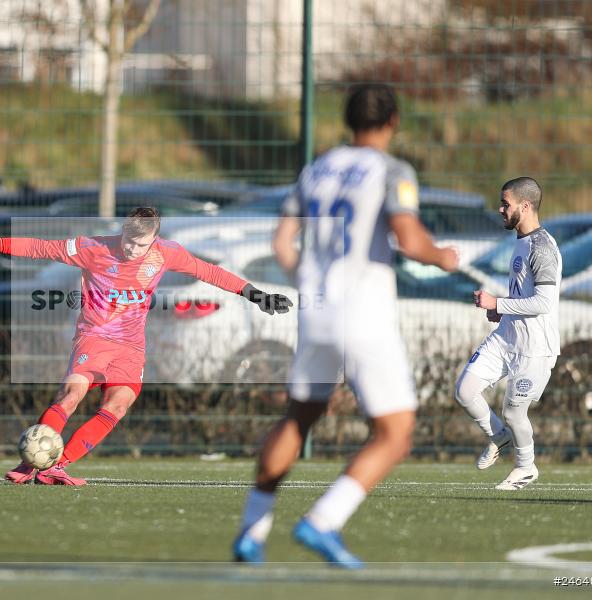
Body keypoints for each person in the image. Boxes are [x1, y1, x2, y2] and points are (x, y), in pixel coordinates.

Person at [233, 83, 459, 567]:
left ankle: (252, 531)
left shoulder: (316, 169)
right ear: (393, 121)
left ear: (347, 120)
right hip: (364, 312)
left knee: (299, 417)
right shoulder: (392, 170)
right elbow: (408, 237)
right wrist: (443, 256)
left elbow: (282, 243)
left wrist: (311, 280)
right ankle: (324, 520)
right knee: (395, 432)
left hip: (316, 309)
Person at [0, 207, 292, 485]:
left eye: (139, 245)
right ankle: (29, 464)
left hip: (130, 347)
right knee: (70, 396)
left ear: (154, 240)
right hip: (94, 338)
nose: (131, 249)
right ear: (123, 232)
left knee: (117, 406)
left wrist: (256, 295)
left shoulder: (166, 254)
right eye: (128, 241)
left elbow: (211, 273)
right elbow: (41, 247)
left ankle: (56, 465)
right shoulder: (94, 248)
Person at [455, 177, 559, 491]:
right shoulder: (520, 240)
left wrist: (497, 301)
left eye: (506, 204)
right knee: (465, 390)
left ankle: (526, 468)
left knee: (514, 413)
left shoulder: (542, 247)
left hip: (534, 348)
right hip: (506, 337)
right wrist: (501, 311)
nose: (500, 209)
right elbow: (524, 295)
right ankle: (499, 438)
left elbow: (544, 302)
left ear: (525, 207)